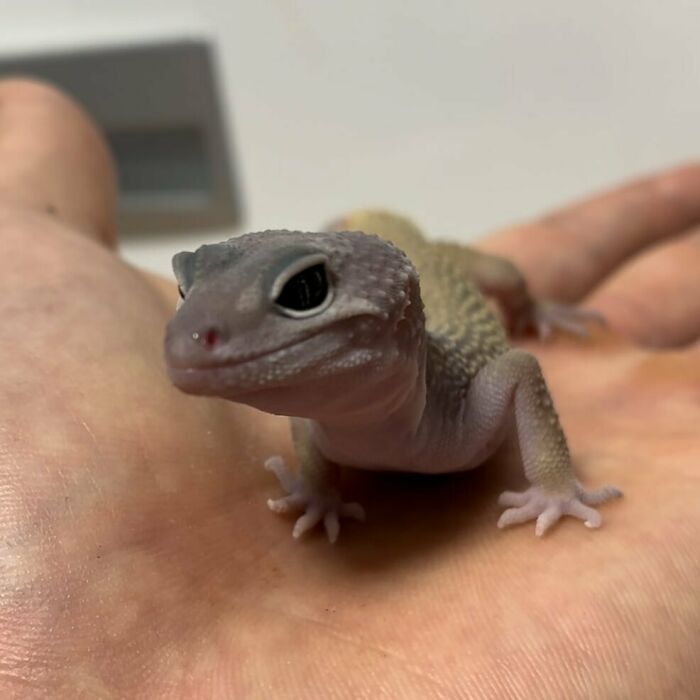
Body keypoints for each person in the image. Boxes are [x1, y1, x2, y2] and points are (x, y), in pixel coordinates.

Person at [0, 78, 697, 698]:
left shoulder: (464, 420)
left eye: (301, 293)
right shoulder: (323, 415)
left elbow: (518, 370)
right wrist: (317, 486)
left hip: (432, 271)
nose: (190, 337)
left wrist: (555, 480)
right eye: (190, 291)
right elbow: (308, 409)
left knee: (508, 275)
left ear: (393, 321)